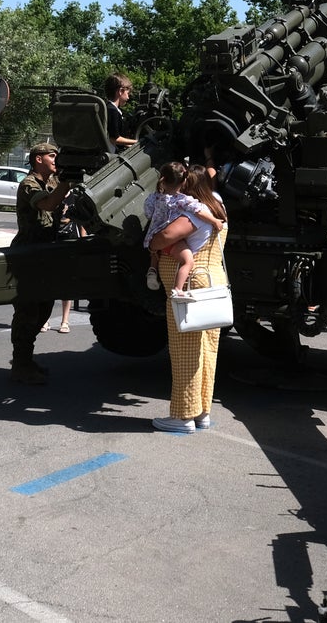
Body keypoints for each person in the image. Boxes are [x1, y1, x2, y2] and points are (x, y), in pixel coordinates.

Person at [148, 163, 228, 433]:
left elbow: (164, 238)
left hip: (190, 285)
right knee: (207, 349)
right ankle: (202, 411)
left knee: (185, 351)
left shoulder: (190, 211)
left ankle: (183, 417)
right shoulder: (217, 204)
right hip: (212, 278)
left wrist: (153, 241)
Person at [8, 142, 72, 384]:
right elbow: (47, 204)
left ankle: (26, 359)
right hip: (29, 252)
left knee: (44, 309)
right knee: (27, 311)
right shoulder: (29, 184)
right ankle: (20, 364)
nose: (56, 160)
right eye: (52, 155)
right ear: (38, 159)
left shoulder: (54, 181)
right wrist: (66, 182)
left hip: (47, 250)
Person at [142, 161, 225, 296]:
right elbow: (197, 211)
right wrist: (215, 221)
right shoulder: (187, 201)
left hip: (193, 283)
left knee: (181, 259)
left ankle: (155, 271)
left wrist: (152, 246)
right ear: (184, 181)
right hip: (208, 277)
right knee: (187, 261)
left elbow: (153, 220)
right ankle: (177, 288)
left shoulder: (154, 197)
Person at [105, 72, 137, 153]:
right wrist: (137, 142)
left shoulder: (106, 107)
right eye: (128, 93)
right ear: (120, 91)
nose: (128, 97)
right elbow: (115, 139)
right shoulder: (112, 111)